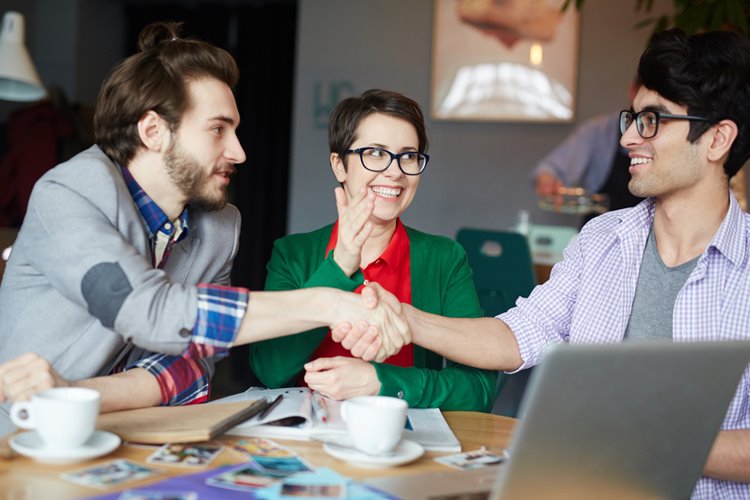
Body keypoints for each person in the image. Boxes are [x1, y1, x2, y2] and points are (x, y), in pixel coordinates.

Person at [339, 29, 750, 498]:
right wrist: (403, 317)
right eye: (632, 119)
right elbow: (518, 335)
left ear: (718, 139)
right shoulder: (601, 239)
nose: (629, 138)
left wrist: (647, 439)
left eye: (653, 121)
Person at [0, 22, 407, 437]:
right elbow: (149, 311)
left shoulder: (220, 226)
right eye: (217, 129)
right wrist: (329, 304)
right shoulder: (68, 193)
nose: (239, 152)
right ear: (153, 131)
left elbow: (194, 365)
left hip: (127, 438)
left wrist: (75, 394)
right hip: (20, 438)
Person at [249, 90, 497, 411]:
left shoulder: (444, 258)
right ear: (339, 165)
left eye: (408, 156)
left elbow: (480, 389)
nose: (395, 172)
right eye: (376, 153)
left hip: (407, 440)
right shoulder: (293, 254)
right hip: (310, 439)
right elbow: (269, 369)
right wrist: (339, 265)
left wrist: (382, 381)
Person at [532, 80, 643, 215]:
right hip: (601, 228)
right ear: (633, 90)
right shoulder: (599, 130)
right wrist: (548, 180)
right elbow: (550, 169)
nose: (627, 141)